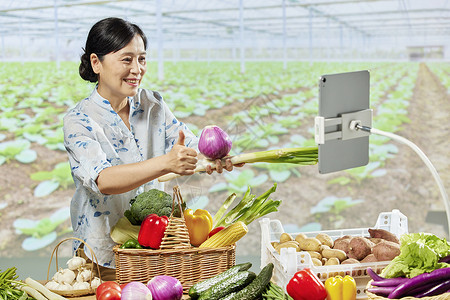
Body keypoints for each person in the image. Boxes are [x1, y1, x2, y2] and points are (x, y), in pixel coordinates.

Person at [63, 17, 236, 280]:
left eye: (142, 59)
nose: (137, 69)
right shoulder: (79, 120)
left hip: (153, 250)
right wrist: (166, 163)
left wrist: (214, 156)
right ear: (96, 62)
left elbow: (187, 145)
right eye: (126, 59)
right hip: (103, 257)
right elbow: (104, 180)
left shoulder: (152, 103)